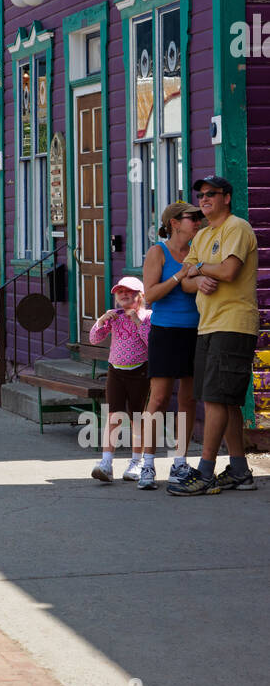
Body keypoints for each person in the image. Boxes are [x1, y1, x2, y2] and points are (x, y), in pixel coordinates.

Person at [168, 175, 259, 496]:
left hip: (233, 323)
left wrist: (202, 269)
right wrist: (201, 275)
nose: (204, 199)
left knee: (217, 397)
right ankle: (239, 470)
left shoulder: (237, 228)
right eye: (201, 195)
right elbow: (186, 281)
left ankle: (205, 471)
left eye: (211, 194)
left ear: (227, 198)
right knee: (226, 399)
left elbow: (229, 271)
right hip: (208, 324)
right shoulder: (203, 235)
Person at [141, 201, 204, 489]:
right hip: (165, 331)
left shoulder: (199, 249)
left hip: (196, 330)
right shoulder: (159, 252)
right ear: (175, 223)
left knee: (188, 400)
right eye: (193, 217)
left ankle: (180, 460)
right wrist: (180, 275)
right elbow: (150, 295)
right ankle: (148, 464)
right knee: (159, 398)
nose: (198, 221)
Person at [88, 277, 151, 483]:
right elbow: (94, 339)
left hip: (139, 372)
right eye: (119, 292)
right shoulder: (114, 317)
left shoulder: (148, 316)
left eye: (129, 291)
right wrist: (102, 320)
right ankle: (106, 463)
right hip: (115, 371)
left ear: (140, 296)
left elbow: (151, 341)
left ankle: (136, 461)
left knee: (137, 418)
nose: (124, 295)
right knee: (113, 415)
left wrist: (137, 320)